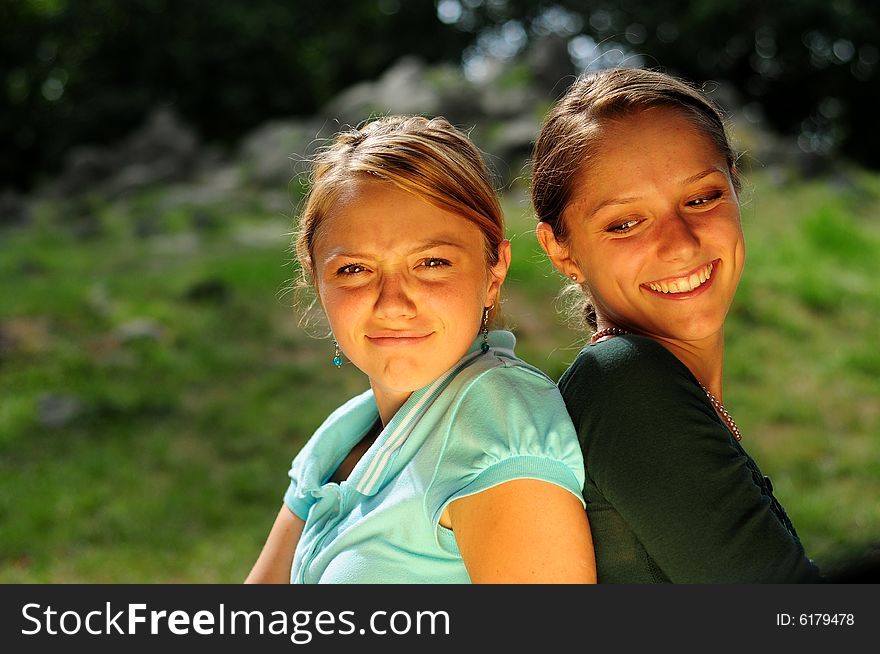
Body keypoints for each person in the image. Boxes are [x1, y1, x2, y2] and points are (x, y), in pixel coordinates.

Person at [246, 115, 596, 584]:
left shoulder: (498, 422)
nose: (393, 303)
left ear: (494, 274)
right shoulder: (343, 433)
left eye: (432, 263)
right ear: (315, 279)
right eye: (354, 270)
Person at [531, 67, 822, 583]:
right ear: (561, 249)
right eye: (625, 224)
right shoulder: (623, 381)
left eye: (702, 198)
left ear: (735, 185)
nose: (681, 244)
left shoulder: (651, 382)